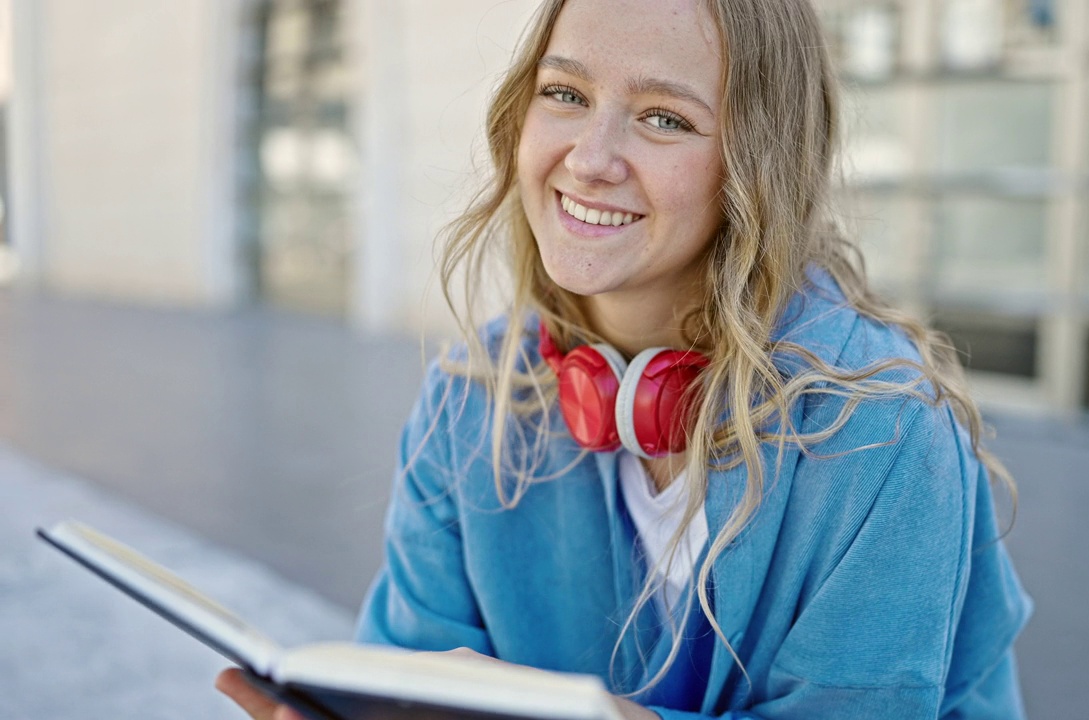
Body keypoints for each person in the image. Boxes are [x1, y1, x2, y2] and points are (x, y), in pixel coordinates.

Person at [217, 0, 1032, 717]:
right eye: (565, 94)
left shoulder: (883, 434)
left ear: (758, 163)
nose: (590, 158)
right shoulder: (472, 402)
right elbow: (406, 673)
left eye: (663, 118)